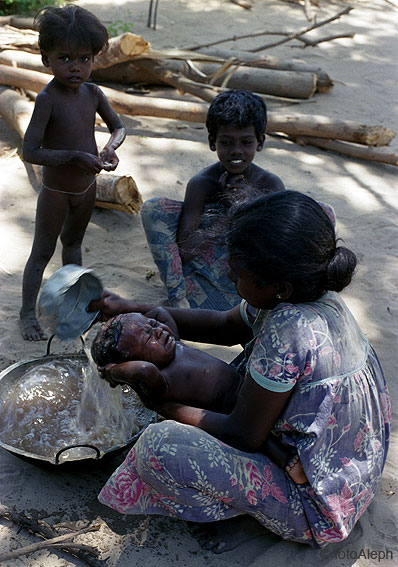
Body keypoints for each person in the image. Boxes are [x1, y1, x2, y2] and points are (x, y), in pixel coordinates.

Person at [91, 190, 390, 548]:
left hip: (319, 503)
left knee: (159, 446)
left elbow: (243, 435)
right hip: (353, 470)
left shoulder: (288, 329)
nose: (230, 274)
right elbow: (224, 325)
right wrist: (135, 307)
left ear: (278, 287)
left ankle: (243, 514)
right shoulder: (313, 292)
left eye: (238, 275)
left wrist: (162, 406)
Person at [91, 310, 307, 483]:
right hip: (228, 411)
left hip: (245, 390)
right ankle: (288, 462)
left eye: (153, 326)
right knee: (261, 439)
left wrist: (143, 320)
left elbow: (160, 312)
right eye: (148, 337)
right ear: (130, 361)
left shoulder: (173, 345)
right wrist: (112, 371)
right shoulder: (159, 380)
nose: (158, 330)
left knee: (270, 419)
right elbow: (142, 371)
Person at [19, 4, 126, 341]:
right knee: (40, 254)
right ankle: (26, 314)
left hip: (86, 189)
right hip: (56, 193)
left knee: (74, 247)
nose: (76, 67)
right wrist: (76, 156)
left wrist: (110, 148)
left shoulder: (93, 94)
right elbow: (30, 151)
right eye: (65, 58)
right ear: (45, 58)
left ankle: (74, 307)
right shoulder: (47, 99)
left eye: (84, 59)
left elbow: (119, 127)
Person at [141, 89, 285, 310]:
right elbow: (186, 253)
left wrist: (246, 208)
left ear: (260, 142)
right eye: (226, 143)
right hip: (201, 289)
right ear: (212, 142)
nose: (236, 151)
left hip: (253, 294)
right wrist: (230, 212)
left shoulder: (270, 185)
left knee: (318, 212)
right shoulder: (202, 183)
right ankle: (179, 302)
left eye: (246, 142)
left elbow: (275, 252)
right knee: (154, 209)